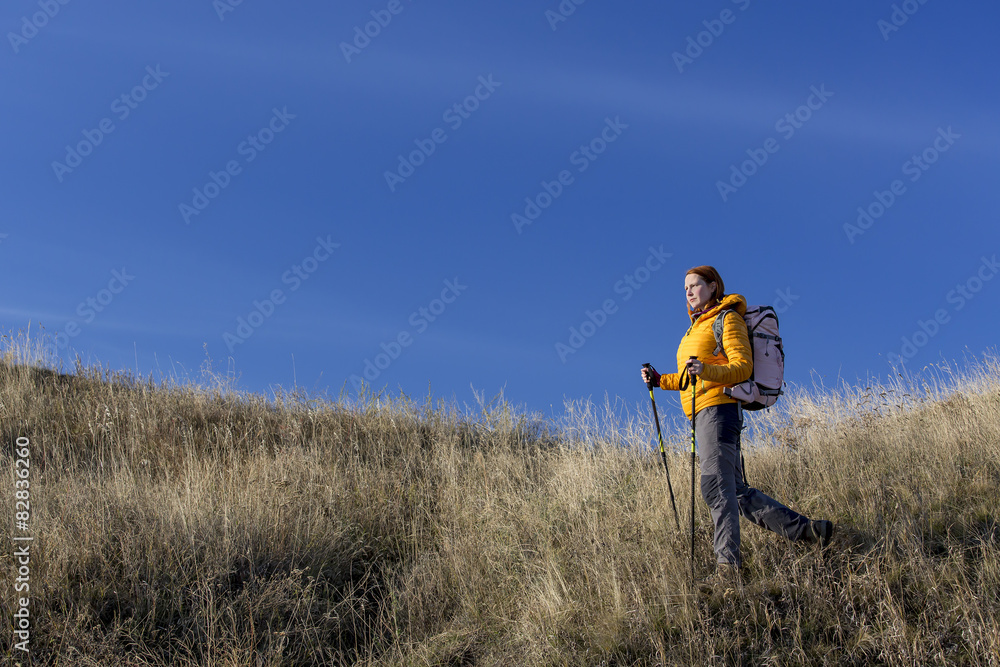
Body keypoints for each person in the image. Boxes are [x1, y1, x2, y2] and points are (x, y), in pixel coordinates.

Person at [640, 265, 833, 577]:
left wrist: (706, 371)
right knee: (737, 492)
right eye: (685, 287)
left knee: (716, 486)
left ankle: (728, 570)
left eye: (695, 285)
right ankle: (812, 532)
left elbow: (741, 367)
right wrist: (661, 379)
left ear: (714, 286)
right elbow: (693, 377)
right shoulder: (696, 326)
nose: (688, 292)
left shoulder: (725, 318)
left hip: (719, 411)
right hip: (704, 411)